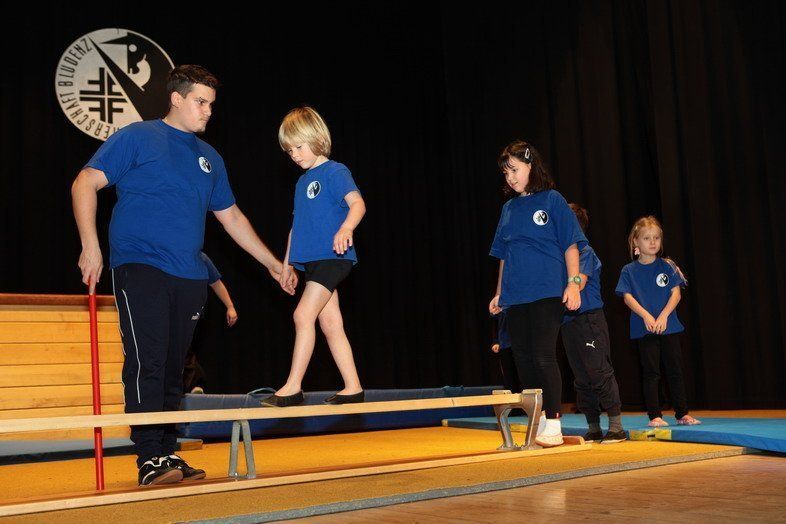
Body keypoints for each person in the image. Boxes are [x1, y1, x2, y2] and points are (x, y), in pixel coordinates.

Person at [71, 65, 291, 486]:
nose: (208, 111)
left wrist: (272, 263)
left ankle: (168, 451)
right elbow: (84, 183)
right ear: (176, 98)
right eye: (200, 102)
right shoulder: (138, 137)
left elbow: (232, 217)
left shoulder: (210, 159)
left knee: (175, 369)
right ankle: (148, 456)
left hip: (190, 275)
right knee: (148, 361)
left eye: (211, 104)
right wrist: (90, 244)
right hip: (140, 265)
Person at [262, 106, 366, 407]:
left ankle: (293, 387)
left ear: (316, 137)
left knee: (302, 315)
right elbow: (296, 226)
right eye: (289, 150)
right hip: (313, 263)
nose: (294, 155)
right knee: (330, 323)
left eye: (299, 147)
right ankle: (353, 387)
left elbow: (358, 204)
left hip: (334, 258)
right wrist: (287, 265)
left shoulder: (335, 171)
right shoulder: (301, 182)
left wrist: (346, 227)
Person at [488, 140, 586, 447]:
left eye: (515, 170)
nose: (510, 178)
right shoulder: (508, 209)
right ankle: (539, 419)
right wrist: (499, 293)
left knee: (543, 355)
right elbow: (504, 256)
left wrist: (573, 283)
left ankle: (554, 422)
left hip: (546, 291)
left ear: (531, 165)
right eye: (506, 173)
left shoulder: (553, 200)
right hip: (516, 295)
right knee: (523, 359)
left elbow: (571, 244)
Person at [615, 216, 701, 427]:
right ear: (636, 241)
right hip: (645, 328)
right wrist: (646, 315)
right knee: (651, 372)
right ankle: (655, 415)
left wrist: (663, 316)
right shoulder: (629, 270)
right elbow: (627, 297)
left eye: (656, 238)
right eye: (647, 238)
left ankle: (682, 413)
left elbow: (676, 294)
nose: (652, 242)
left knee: (675, 370)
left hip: (668, 326)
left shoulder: (668, 266)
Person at [560, 204, 625, 443]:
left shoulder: (584, 252)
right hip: (568, 323)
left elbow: (580, 281)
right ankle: (593, 426)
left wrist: (571, 283)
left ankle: (616, 427)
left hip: (589, 319)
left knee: (598, 371)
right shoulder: (561, 257)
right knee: (581, 376)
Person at [183, 252, 238, 394]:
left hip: (192, 314)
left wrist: (230, 306)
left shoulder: (200, 258)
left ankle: (195, 384)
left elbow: (216, 283)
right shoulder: (167, 255)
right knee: (175, 351)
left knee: (184, 350)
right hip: (171, 313)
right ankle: (187, 385)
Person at [490, 310, 522, 395]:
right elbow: (496, 320)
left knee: (523, 375)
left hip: (522, 341)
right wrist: (496, 341)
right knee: (509, 377)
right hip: (505, 342)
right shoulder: (500, 302)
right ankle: (513, 401)